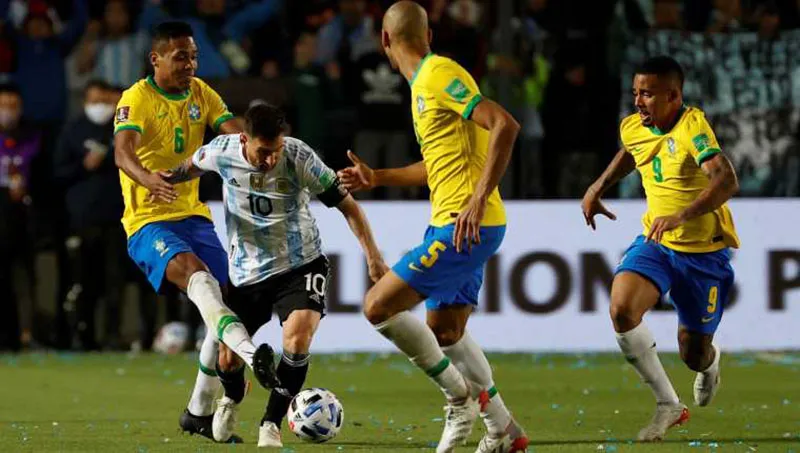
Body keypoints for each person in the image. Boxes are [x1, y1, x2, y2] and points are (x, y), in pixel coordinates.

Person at [337, 2, 528, 452]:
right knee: (445, 332)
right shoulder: (427, 83)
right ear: (427, 35)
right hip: (459, 223)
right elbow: (435, 165)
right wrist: (378, 177)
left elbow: (504, 123)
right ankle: (504, 430)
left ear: (384, 40)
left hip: (466, 226)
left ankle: (457, 400)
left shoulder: (439, 74)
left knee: (378, 307)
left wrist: (478, 199)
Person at [165, 102, 388, 446]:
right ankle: (232, 398)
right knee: (227, 359)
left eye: (276, 150)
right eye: (263, 151)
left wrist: (373, 258)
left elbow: (350, 208)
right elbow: (189, 167)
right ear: (244, 138)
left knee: (297, 339)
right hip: (246, 273)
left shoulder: (299, 157)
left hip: (300, 264)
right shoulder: (222, 152)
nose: (270, 160)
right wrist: (161, 180)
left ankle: (271, 423)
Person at [112, 20, 279, 443]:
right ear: (157, 59)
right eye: (181, 56)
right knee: (198, 277)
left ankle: (197, 412)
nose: (190, 64)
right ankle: (249, 357)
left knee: (233, 298)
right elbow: (122, 152)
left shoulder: (201, 92)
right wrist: (147, 178)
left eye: (193, 56)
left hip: (195, 215)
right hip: (147, 222)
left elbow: (231, 132)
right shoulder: (137, 98)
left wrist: (254, 148)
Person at [581, 56, 740, 441]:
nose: (638, 101)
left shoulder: (692, 127)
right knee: (621, 310)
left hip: (703, 254)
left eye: (647, 94)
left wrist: (682, 215)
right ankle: (668, 404)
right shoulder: (635, 125)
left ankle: (710, 362)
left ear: (674, 95)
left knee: (693, 353)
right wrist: (597, 187)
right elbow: (630, 152)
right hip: (657, 244)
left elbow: (726, 180)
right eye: (635, 92)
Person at [54, 80, 125, 351]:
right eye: (95, 101)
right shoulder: (73, 130)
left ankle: (113, 337)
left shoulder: (120, 130)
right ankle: (83, 337)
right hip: (83, 218)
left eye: (106, 101)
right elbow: (58, 173)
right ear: (85, 101)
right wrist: (83, 166)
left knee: (114, 281)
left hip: (118, 217)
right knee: (84, 282)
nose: (101, 107)